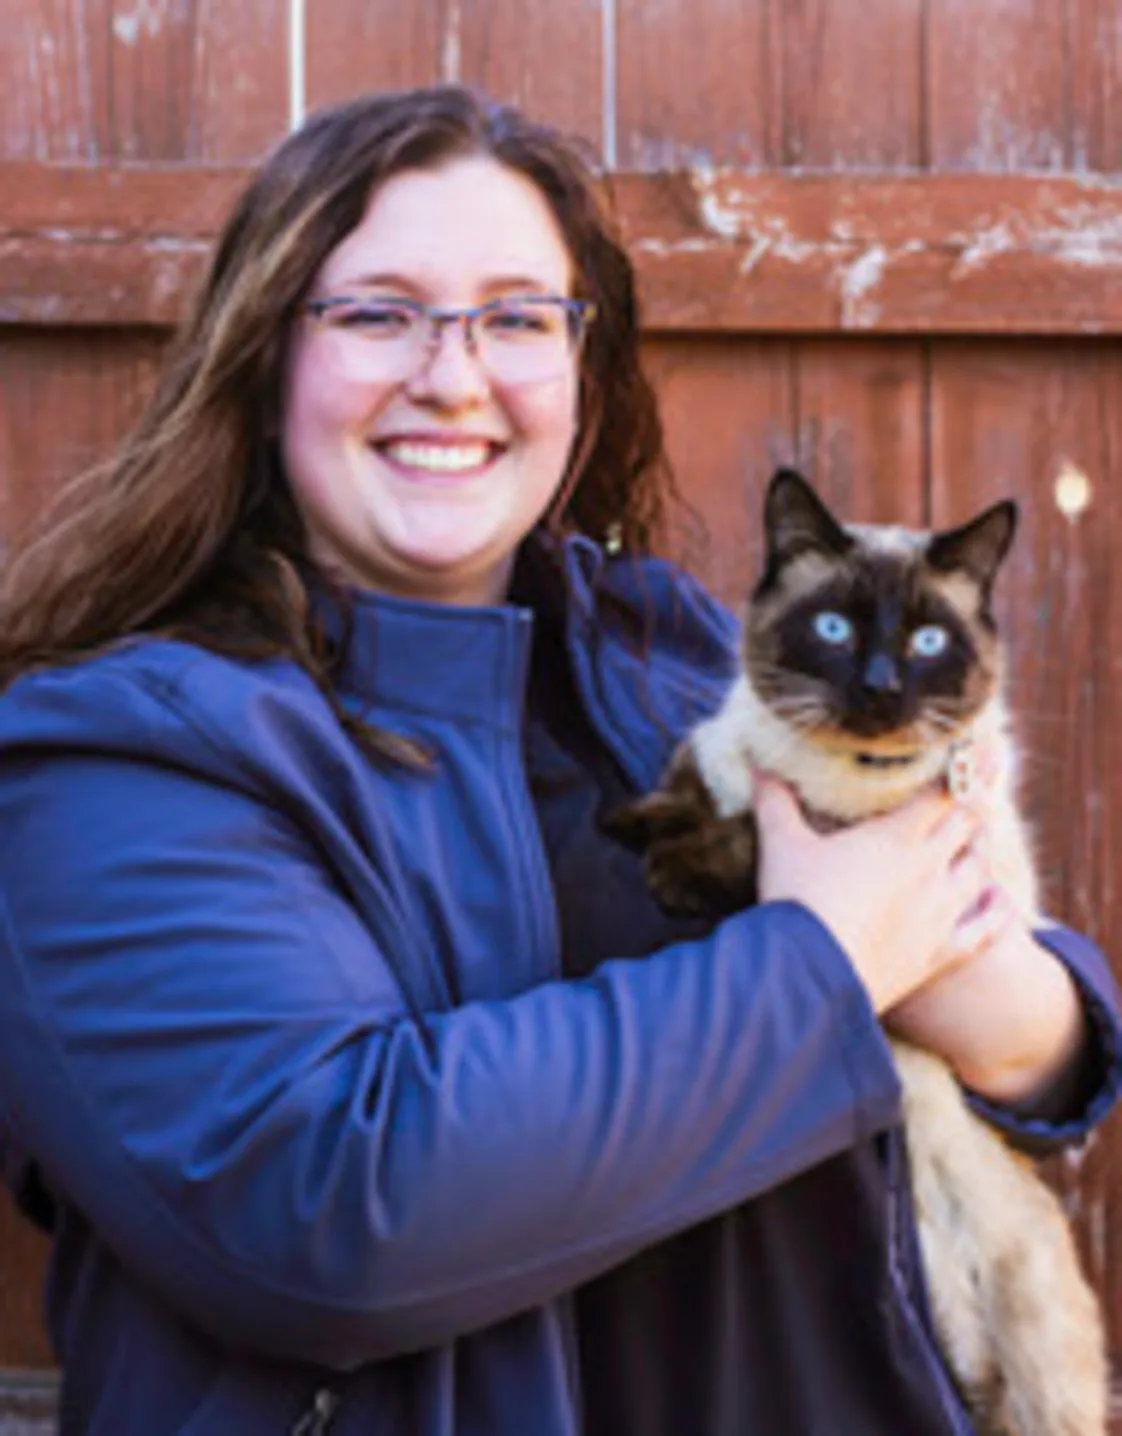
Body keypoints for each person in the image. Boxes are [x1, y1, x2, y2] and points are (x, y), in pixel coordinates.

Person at [0, 84, 1116, 1436]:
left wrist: (1016, 1014)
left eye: (519, 317)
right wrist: (825, 964)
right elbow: (333, 1208)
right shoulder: (118, 757)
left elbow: (1030, 1008)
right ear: (264, 352)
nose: (452, 374)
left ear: (580, 370)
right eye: (377, 311)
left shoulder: (677, 659)